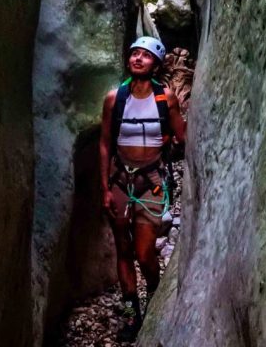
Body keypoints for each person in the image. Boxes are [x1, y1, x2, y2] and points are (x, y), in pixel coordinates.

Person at [99, 36, 186, 342]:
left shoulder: (166, 99)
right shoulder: (114, 99)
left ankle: (154, 296)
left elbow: (183, 138)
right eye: (134, 53)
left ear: (156, 64)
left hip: (151, 183)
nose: (137, 58)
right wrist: (105, 188)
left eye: (145, 55)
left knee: (144, 252)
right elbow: (105, 144)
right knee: (123, 249)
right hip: (121, 182)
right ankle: (131, 314)